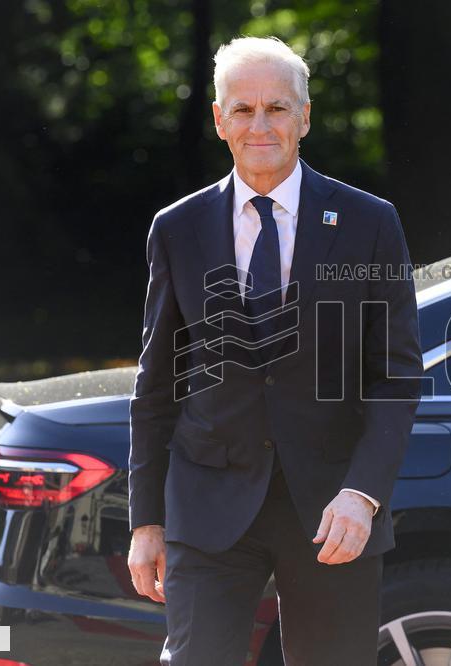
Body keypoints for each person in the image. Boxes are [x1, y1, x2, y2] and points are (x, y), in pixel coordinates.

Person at [126, 36, 423, 666]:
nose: (260, 125)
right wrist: (147, 520)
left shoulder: (371, 222)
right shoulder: (177, 228)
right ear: (218, 120)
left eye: (278, 108)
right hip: (207, 504)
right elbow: (157, 383)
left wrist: (363, 493)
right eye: (243, 109)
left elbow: (395, 378)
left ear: (306, 117)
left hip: (332, 508)